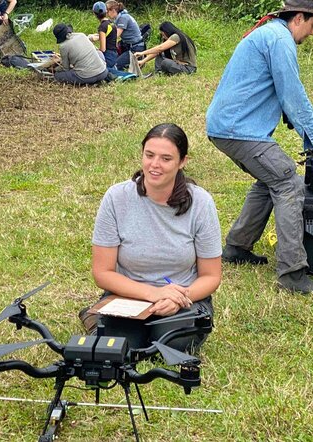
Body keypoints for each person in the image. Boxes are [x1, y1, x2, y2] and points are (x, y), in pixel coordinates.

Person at [205, 0, 313, 294]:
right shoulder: (280, 40)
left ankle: (237, 247)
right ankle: (292, 275)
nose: (312, 34)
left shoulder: (273, 34)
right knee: (287, 181)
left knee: (271, 179)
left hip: (229, 127)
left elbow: (293, 97)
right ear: (299, 17)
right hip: (237, 130)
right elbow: (292, 95)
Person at [88, 123, 223, 352]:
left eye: (166, 158)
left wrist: (179, 297)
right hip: (128, 295)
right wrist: (153, 294)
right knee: (121, 347)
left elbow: (211, 276)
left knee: (172, 344)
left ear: (183, 162)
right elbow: (102, 272)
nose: (155, 165)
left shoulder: (201, 203)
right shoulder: (116, 198)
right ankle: (98, 318)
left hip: (181, 299)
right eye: (149, 155)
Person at [105, 1, 145, 70]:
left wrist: (99, 38)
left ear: (113, 10)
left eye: (107, 12)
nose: (107, 14)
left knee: (115, 67)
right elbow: (110, 32)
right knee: (111, 62)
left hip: (135, 48)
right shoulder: (120, 16)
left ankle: (138, 60)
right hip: (128, 45)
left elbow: (115, 36)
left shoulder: (123, 18)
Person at [89, 1, 118, 69]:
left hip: (108, 57)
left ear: (94, 14)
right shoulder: (112, 24)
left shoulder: (102, 27)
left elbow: (103, 49)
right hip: (114, 55)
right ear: (106, 11)